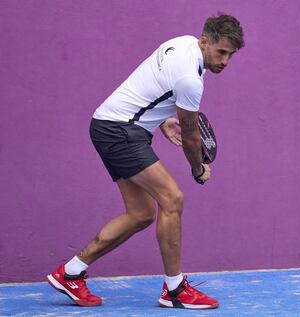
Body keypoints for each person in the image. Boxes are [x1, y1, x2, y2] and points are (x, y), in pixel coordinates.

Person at [47, 13, 244, 310]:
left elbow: (154, 83)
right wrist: (198, 168)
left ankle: (71, 273)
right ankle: (175, 290)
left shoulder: (182, 44)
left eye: (231, 55)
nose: (225, 61)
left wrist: (163, 118)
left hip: (108, 124)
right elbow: (190, 137)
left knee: (140, 213)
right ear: (205, 41)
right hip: (121, 131)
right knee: (172, 199)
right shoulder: (191, 79)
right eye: (221, 52)